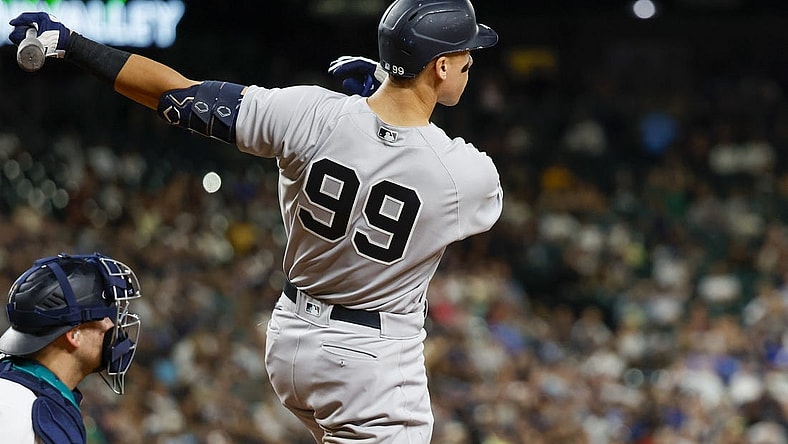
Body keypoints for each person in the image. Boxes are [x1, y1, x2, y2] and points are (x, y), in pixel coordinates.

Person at [8, 0, 502, 441]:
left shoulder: (308, 112)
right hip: (369, 362)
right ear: (440, 65)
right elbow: (410, 149)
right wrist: (383, 90)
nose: (470, 60)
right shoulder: (467, 174)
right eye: (464, 53)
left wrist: (73, 45)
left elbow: (178, 96)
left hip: (290, 340)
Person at [0, 253, 142, 444]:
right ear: (74, 334)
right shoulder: (12, 408)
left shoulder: (30, 395)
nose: (112, 325)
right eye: (107, 315)